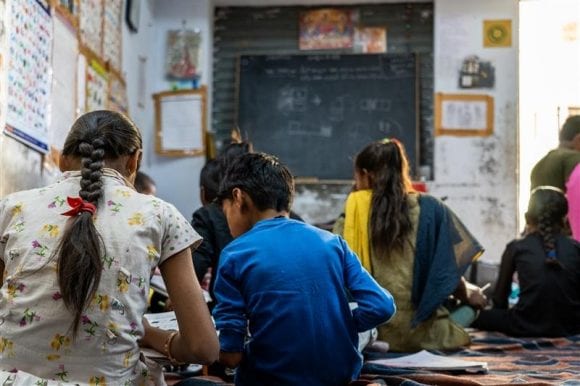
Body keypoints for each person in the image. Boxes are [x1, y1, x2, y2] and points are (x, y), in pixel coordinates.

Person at [0, 110, 218, 385]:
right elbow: (204, 348)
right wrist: (156, 338)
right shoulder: (159, 214)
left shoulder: (11, 208)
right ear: (134, 159)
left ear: (62, 159)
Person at [212, 152, 395, 386]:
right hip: (339, 377)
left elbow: (231, 356)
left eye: (225, 210)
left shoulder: (236, 253)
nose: (227, 221)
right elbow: (382, 306)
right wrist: (341, 325)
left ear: (238, 197)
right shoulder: (332, 243)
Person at [336, 138, 487, 352]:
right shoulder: (431, 209)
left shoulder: (351, 216)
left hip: (369, 331)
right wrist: (471, 295)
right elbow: (448, 272)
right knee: (473, 306)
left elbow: (335, 273)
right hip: (423, 336)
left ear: (365, 174)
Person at [473, 187, 580, 337]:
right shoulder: (576, 248)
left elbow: (500, 300)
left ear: (527, 217)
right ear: (564, 219)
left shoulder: (516, 247)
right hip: (572, 327)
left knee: (478, 316)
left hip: (525, 324)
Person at [531, 115, 580, 240]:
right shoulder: (574, 160)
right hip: (568, 239)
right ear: (578, 139)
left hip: (542, 238)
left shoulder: (541, 163)